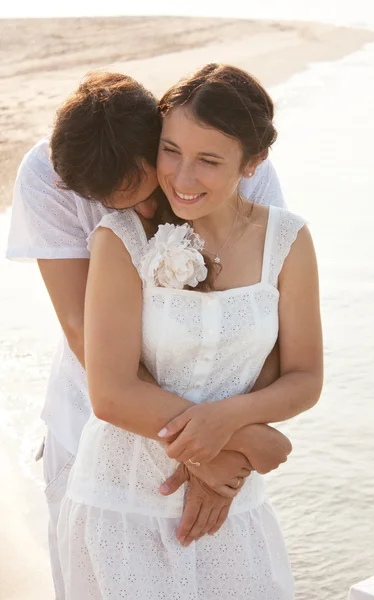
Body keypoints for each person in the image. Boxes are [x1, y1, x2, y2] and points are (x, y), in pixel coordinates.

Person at [6, 71, 292, 599]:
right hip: (98, 431)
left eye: (145, 193)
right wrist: (208, 448)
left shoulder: (225, 163)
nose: (139, 213)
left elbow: (264, 315)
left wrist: (228, 443)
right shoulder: (46, 173)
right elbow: (78, 329)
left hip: (221, 430)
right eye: (115, 206)